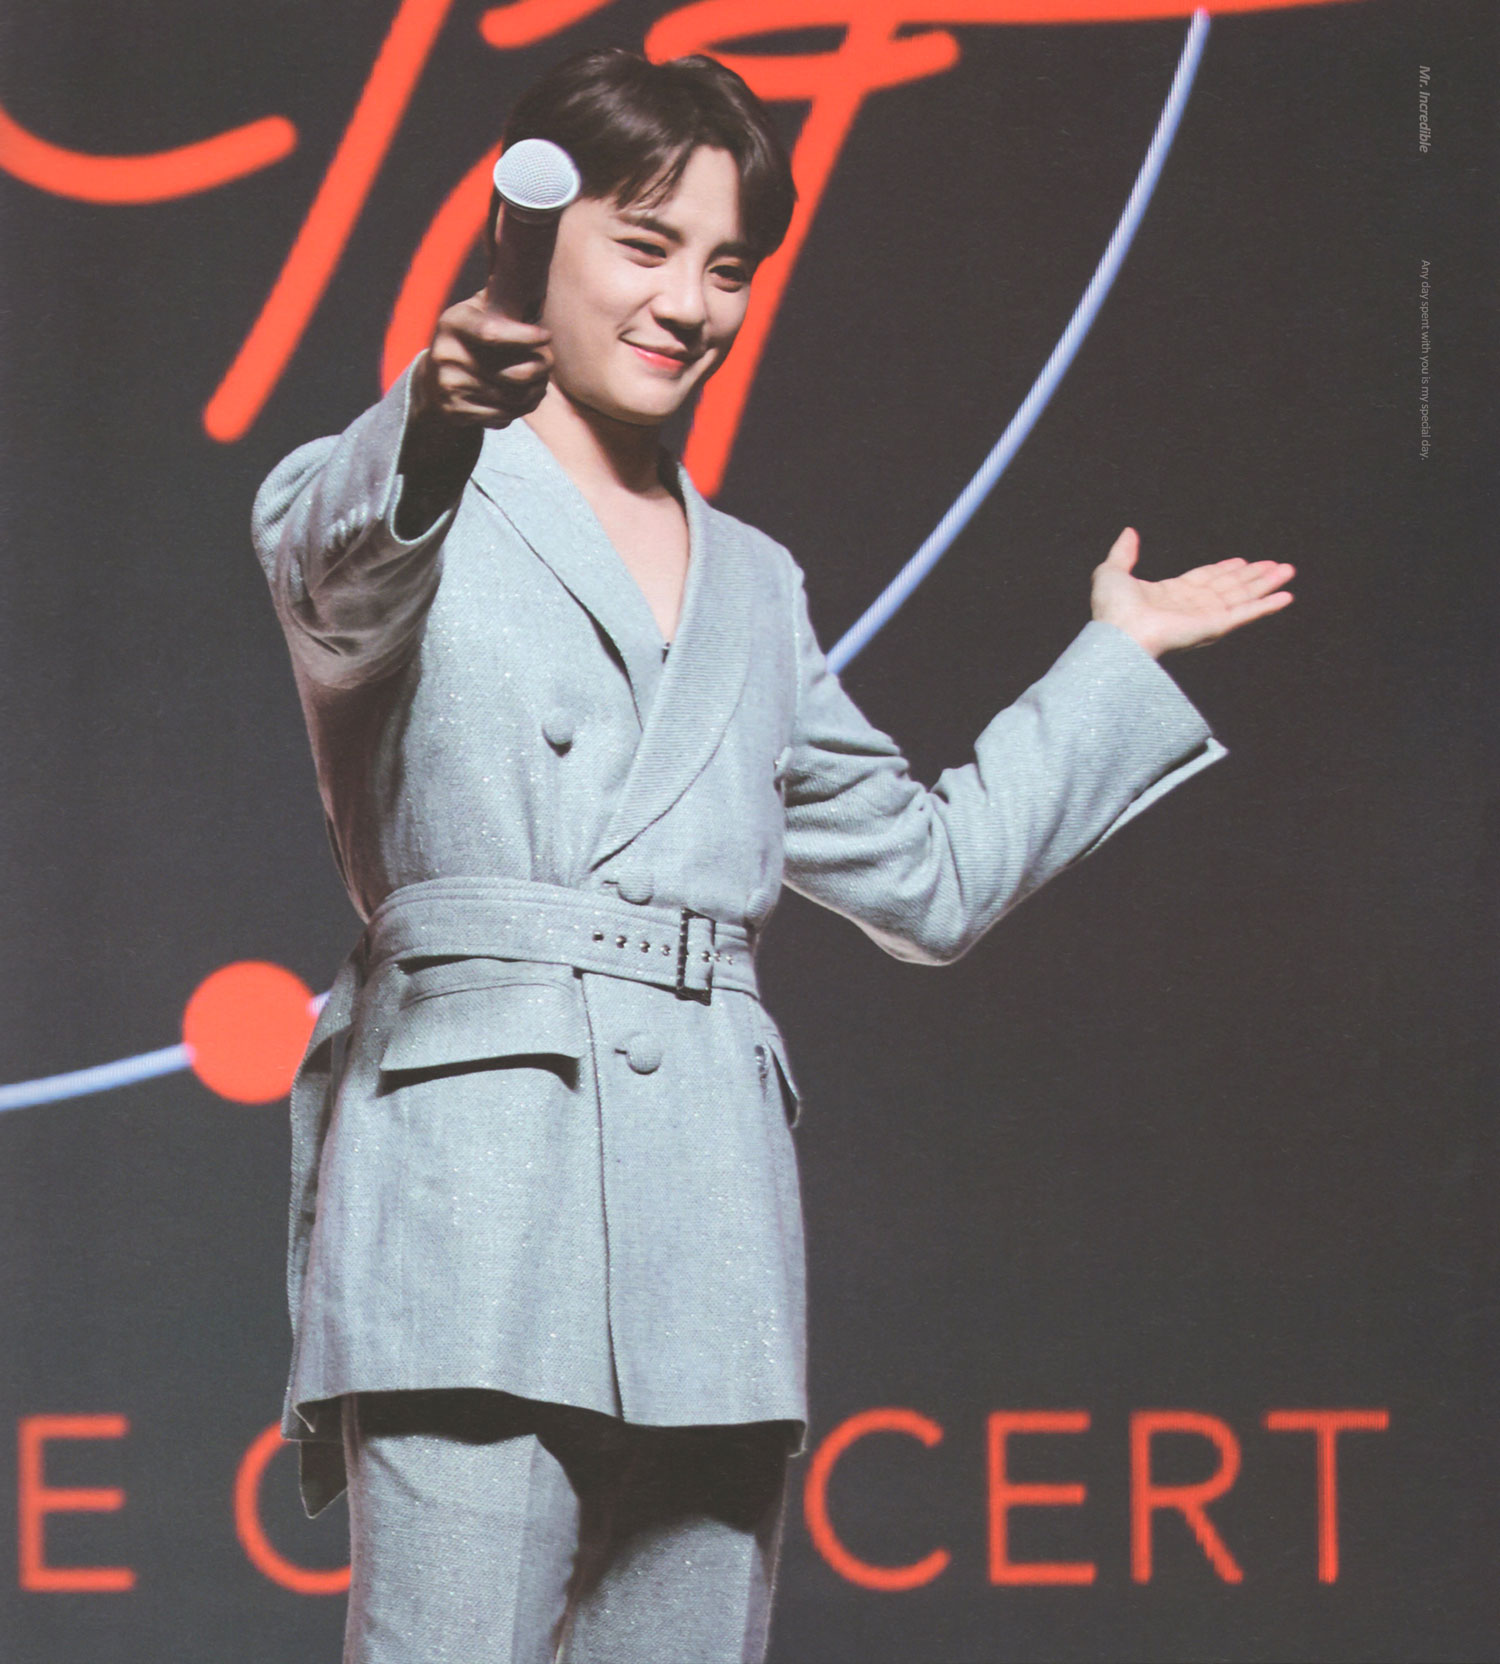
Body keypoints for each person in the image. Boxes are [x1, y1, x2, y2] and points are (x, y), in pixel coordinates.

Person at [251, 45, 1293, 1664]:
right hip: (472, 1200)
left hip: (710, 1226)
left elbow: (930, 883)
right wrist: (434, 417)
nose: (690, 304)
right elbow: (338, 583)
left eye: (729, 266)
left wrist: (1116, 664)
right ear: (535, 237)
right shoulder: (404, 492)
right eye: (646, 244)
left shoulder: (757, 584)